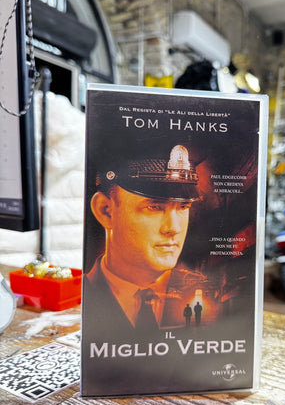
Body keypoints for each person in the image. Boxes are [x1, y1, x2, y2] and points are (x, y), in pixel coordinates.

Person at [83, 144, 205, 339]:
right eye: (154, 207)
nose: (173, 228)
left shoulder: (203, 295)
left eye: (183, 207)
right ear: (105, 211)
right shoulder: (83, 297)